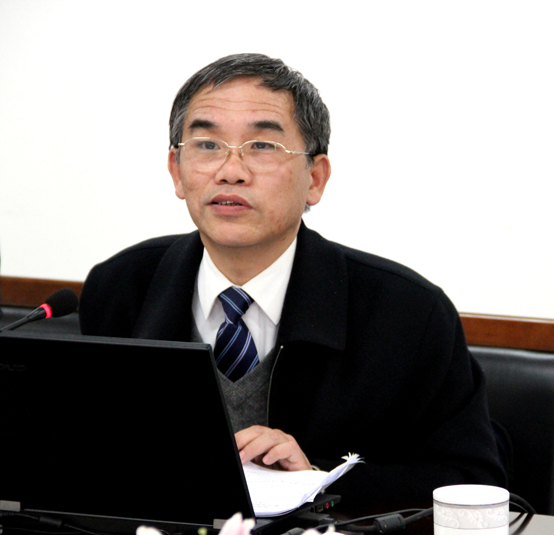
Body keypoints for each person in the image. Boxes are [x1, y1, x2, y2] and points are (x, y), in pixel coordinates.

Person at [79, 53, 506, 512]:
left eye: (262, 146)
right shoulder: (120, 288)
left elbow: (473, 482)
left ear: (315, 179)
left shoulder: (407, 313)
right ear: (176, 171)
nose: (231, 170)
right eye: (207, 145)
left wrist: (317, 482)